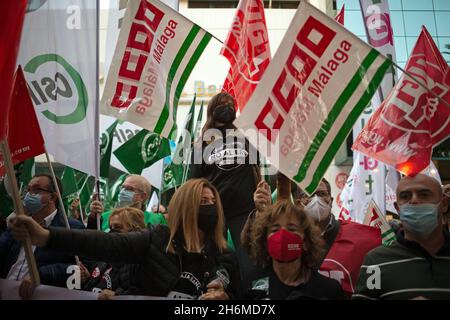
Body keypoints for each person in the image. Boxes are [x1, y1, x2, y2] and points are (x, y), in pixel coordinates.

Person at [9, 178, 240, 300]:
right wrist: (48, 236)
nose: (209, 207)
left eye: (212, 203)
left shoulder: (225, 255)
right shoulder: (155, 239)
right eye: (202, 202)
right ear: (184, 208)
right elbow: (102, 243)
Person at [190, 92, 259, 280]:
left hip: (244, 211)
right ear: (212, 109)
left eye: (231, 103)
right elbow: (193, 181)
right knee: (212, 260)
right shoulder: (201, 144)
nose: (227, 106)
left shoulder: (247, 137)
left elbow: (258, 170)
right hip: (213, 211)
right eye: (222, 103)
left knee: (250, 263)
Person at [353, 174, 450, 300]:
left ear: (444, 204)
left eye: (424, 195)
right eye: (405, 196)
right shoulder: (376, 261)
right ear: (398, 208)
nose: (414, 200)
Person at [243, 200, 344, 300]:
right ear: (265, 241)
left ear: (305, 242)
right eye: (274, 230)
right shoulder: (252, 286)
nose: (282, 234)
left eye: (292, 229)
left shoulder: (328, 291)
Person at [0, 174, 85, 290]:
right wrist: (14, 219)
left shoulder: (71, 228)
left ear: (53, 197)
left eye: (36, 189)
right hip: (6, 290)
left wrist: (40, 275)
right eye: (28, 189)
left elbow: (79, 270)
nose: (29, 194)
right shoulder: (20, 222)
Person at [80, 207, 146, 300]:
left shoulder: (141, 263)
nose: (112, 232)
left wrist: (117, 296)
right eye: (111, 227)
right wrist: (88, 279)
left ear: (135, 231)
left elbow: (143, 294)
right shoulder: (104, 257)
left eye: (118, 227)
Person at [88, 174, 166, 231]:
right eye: (122, 187)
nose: (122, 192)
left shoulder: (157, 220)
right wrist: (93, 219)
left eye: (129, 189)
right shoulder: (104, 217)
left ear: (142, 196)